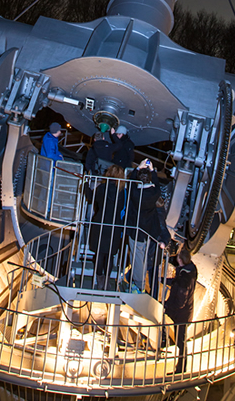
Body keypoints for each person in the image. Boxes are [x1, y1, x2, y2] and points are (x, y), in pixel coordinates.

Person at [84, 164, 126, 290]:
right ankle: (107, 281)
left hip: (100, 223)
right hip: (114, 225)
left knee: (99, 253)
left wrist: (86, 185)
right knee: (110, 255)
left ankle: (99, 279)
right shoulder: (122, 191)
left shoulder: (102, 187)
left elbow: (91, 198)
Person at [124, 158, 162, 292]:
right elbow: (157, 185)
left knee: (137, 257)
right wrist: (152, 170)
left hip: (136, 229)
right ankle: (140, 282)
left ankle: (139, 284)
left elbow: (130, 183)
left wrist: (138, 168)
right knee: (143, 256)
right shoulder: (154, 193)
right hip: (148, 229)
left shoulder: (135, 193)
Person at [164, 246, 197, 373]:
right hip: (184, 313)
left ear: (180, 260)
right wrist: (164, 280)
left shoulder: (184, 278)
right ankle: (181, 366)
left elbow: (180, 300)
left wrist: (168, 306)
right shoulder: (189, 272)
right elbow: (176, 282)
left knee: (181, 341)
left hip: (181, 314)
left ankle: (181, 368)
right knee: (181, 340)